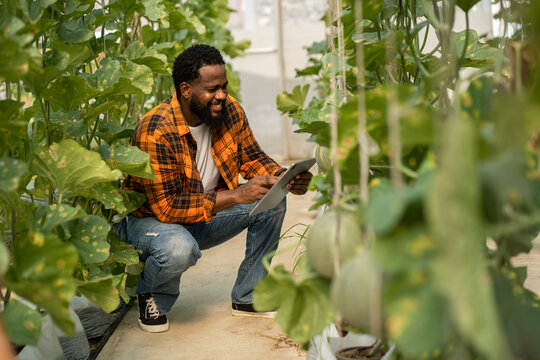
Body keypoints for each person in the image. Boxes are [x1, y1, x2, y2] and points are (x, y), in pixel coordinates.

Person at [114, 44, 312, 333]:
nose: (221, 95)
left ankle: (248, 296)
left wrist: (284, 178)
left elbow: (253, 157)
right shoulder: (156, 130)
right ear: (185, 89)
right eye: (211, 89)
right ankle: (151, 295)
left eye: (224, 86)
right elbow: (167, 207)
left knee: (273, 199)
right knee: (179, 248)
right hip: (148, 223)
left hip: (200, 215)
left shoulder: (228, 110)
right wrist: (236, 195)